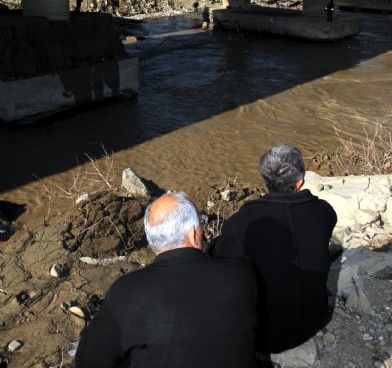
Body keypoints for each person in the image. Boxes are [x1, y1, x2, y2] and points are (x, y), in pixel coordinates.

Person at [75, 192, 259, 368]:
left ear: (152, 240)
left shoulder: (126, 291)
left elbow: (88, 361)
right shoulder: (240, 274)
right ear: (194, 234)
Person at [212, 144, 337, 355]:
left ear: (265, 179)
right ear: (300, 182)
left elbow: (219, 261)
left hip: (264, 336)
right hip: (315, 318)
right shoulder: (324, 212)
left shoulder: (241, 222)